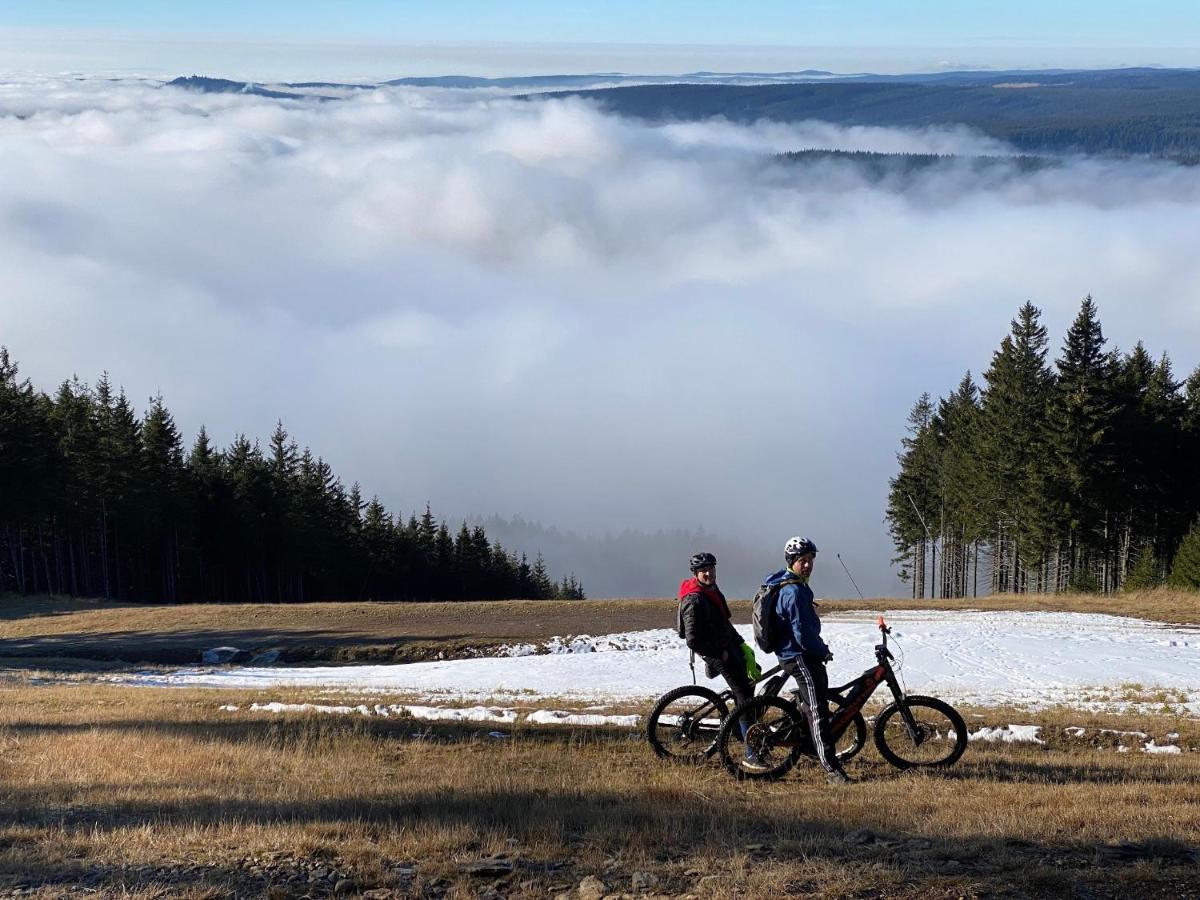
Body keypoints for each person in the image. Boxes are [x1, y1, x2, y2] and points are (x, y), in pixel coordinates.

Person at [763, 536, 852, 784]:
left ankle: (809, 740)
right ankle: (831, 769)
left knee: (812, 703)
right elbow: (802, 633)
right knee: (818, 711)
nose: (808, 565)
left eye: (811, 560)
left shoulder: (796, 585)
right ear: (792, 562)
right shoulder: (793, 591)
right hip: (798, 655)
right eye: (802, 560)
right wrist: (822, 650)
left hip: (794, 654)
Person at [677, 551, 759, 733]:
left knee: (748, 687)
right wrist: (719, 654)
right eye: (704, 570)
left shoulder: (711, 590)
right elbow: (692, 640)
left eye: (711, 569)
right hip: (716, 650)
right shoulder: (694, 599)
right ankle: (751, 749)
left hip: (726, 644)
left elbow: (723, 623)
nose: (709, 574)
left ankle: (741, 730)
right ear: (695, 574)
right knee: (743, 694)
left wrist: (741, 644)